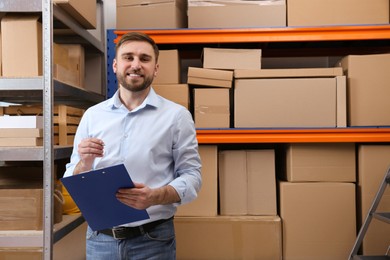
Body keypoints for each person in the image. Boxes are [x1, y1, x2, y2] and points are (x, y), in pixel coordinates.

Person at [63, 31, 202, 260]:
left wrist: (155, 196)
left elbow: (192, 176)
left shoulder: (177, 116)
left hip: (153, 240)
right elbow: (73, 176)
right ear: (116, 65)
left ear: (155, 68)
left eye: (144, 59)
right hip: (100, 240)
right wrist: (84, 164)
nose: (135, 65)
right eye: (128, 57)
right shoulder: (93, 116)